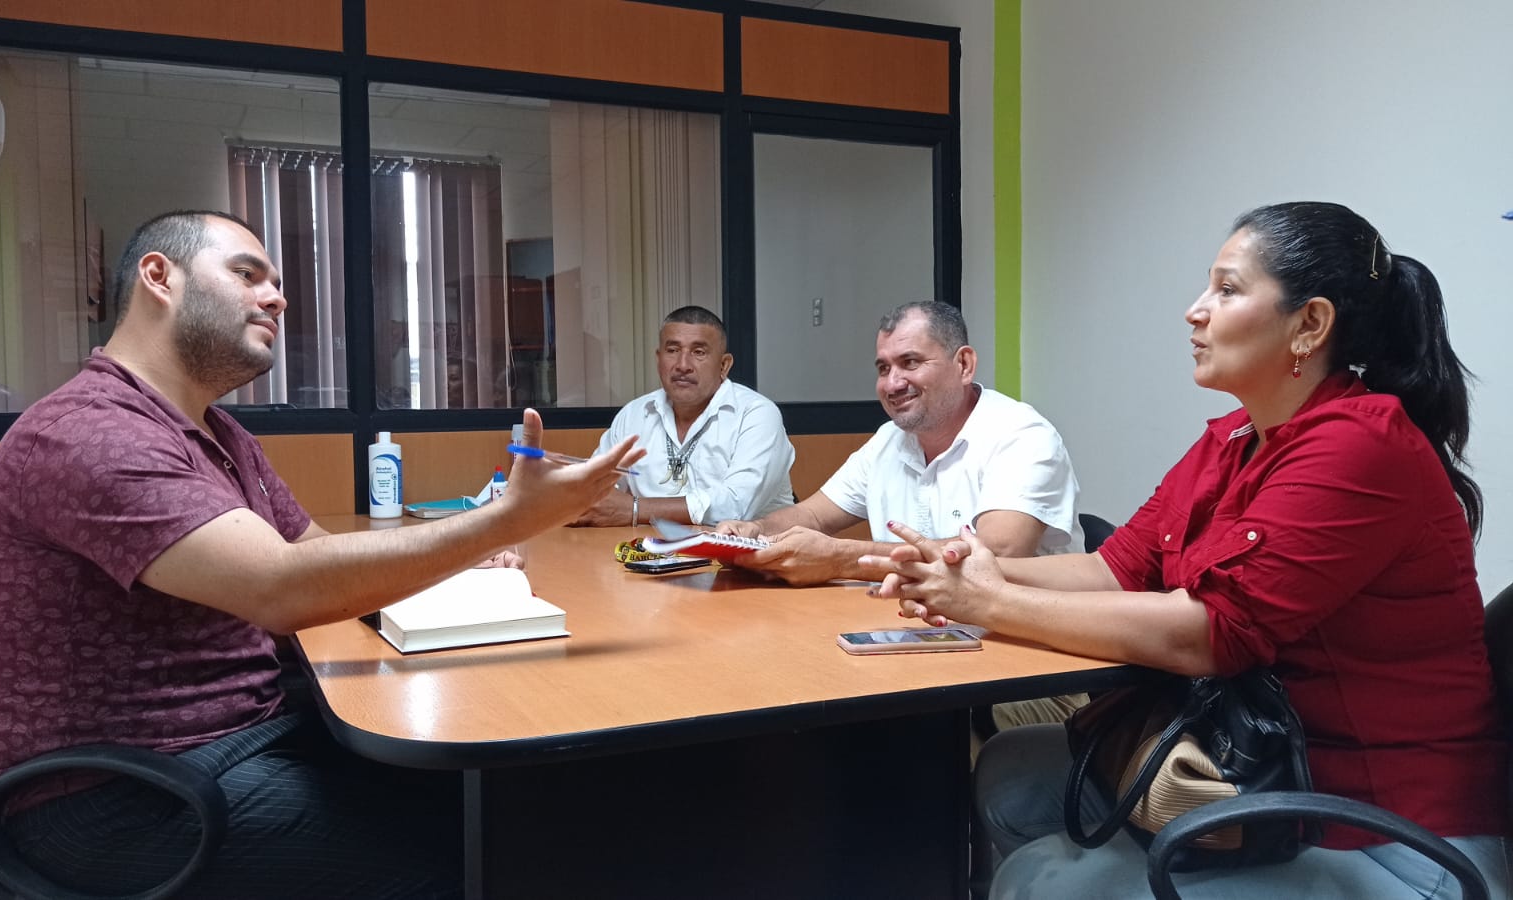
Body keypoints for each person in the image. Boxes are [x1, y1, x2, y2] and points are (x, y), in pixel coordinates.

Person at [0, 210, 644, 898]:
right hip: (116, 800)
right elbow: (282, 589)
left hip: (242, 737)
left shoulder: (216, 431)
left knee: (513, 798)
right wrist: (501, 524)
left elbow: (313, 551)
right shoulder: (88, 432)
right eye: (247, 274)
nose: (277, 298)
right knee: (486, 853)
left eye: (278, 283)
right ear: (158, 277)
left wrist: (458, 562)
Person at [866, 202, 1510, 897]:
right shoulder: (1234, 438)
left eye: (1227, 290)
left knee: (1037, 881)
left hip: (1385, 834)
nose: (1194, 311)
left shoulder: (1360, 445)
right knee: (1013, 772)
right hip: (1259, 766)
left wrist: (990, 602)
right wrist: (979, 567)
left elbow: (1209, 634)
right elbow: (1112, 567)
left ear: (1310, 325)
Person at [716, 300, 1081, 587]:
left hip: (1022, 644)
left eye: (910, 362)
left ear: (964, 365)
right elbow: (812, 516)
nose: (892, 384)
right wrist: (755, 532)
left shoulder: (1022, 435)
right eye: (883, 368)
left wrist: (842, 558)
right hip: (913, 627)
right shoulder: (889, 439)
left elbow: (997, 554)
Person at [569, 305, 795, 527]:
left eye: (699, 352)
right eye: (673, 350)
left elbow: (736, 506)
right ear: (658, 359)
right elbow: (596, 491)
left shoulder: (756, 414)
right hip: (648, 547)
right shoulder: (634, 414)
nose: (683, 365)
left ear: (724, 365)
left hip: (748, 549)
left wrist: (635, 509)